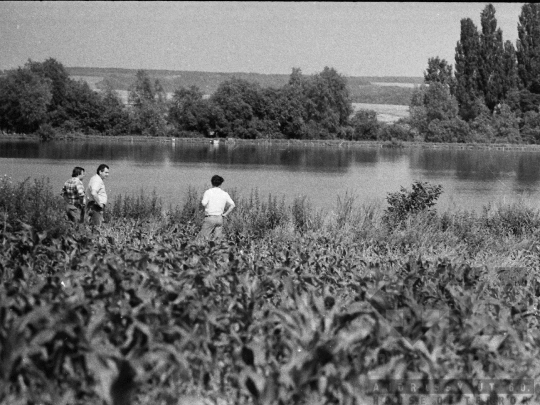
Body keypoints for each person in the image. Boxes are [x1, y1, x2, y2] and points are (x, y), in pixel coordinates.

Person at [199, 175, 235, 240]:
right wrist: (225, 214)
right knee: (217, 240)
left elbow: (203, 203)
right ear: (221, 184)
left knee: (203, 239)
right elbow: (232, 205)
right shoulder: (224, 193)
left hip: (210, 218)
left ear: (211, 182)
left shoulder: (208, 192)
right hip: (219, 218)